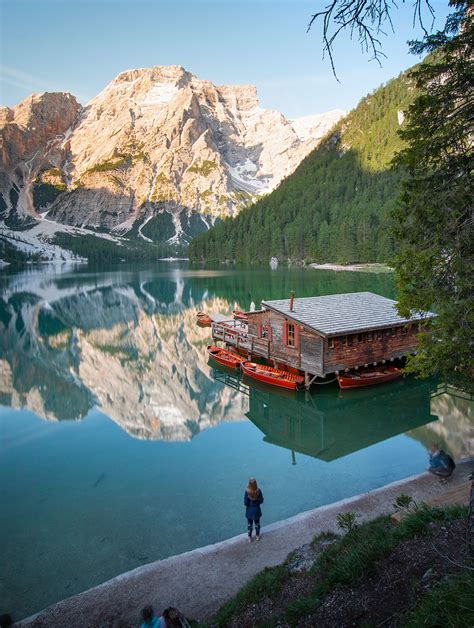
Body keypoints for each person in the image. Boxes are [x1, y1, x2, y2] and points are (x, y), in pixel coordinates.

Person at [244, 477, 264, 542]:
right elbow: (261, 501)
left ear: (249, 483)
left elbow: (245, 503)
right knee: (257, 524)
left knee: (249, 524)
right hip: (257, 510)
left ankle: (249, 537)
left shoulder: (247, 492)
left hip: (249, 511)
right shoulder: (258, 491)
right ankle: (257, 536)